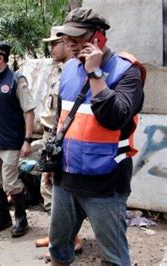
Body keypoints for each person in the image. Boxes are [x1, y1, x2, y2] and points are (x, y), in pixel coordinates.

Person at [48, 7, 145, 266]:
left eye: (77, 38)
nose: (70, 43)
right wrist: (51, 165)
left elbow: (115, 117)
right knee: (58, 246)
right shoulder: (68, 69)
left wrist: (95, 74)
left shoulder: (127, 71)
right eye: (67, 37)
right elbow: (62, 120)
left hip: (106, 183)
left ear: (99, 38)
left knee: (113, 256)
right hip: (66, 178)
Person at [0, 41, 36, 237]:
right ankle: (3, 218)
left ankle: (21, 219)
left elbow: (29, 111)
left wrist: (27, 140)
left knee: (10, 182)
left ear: (0, 58)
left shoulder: (16, 80)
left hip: (11, 141)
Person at [34, 25, 83, 258]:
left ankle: (70, 239)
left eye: (55, 43)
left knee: (57, 187)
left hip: (59, 136)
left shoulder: (72, 72)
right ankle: (58, 237)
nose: (51, 48)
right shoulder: (59, 70)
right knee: (48, 185)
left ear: (66, 43)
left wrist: (55, 142)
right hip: (49, 133)